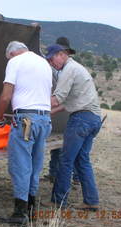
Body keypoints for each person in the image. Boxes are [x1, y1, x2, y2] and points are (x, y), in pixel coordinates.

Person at [0, 41, 52, 225]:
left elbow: (6, 95)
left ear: (12, 54)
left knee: (20, 166)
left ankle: (20, 215)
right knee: (35, 166)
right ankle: (31, 211)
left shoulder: (15, 61)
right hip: (44, 120)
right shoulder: (44, 63)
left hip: (26, 120)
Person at [43, 44, 101, 211]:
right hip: (93, 119)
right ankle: (91, 200)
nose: (51, 63)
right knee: (82, 160)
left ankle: (58, 201)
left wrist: (33, 104)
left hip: (81, 119)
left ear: (61, 55)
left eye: (51, 59)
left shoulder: (68, 71)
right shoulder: (78, 68)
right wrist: (48, 112)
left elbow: (57, 99)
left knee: (65, 160)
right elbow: (66, 103)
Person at [44, 37, 79, 184]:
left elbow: (67, 99)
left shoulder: (70, 70)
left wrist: (45, 109)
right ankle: (53, 173)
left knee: (73, 148)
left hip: (74, 113)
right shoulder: (59, 69)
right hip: (63, 111)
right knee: (59, 147)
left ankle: (75, 177)